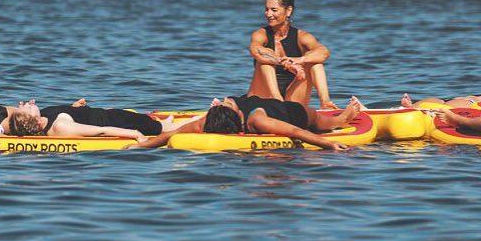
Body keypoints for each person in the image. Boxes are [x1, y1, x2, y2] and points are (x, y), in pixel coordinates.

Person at [128, 96, 362, 151]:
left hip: (290, 112)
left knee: (324, 123)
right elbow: (173, 134)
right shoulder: (211, 120)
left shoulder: (256, 121)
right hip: (243, 104)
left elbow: (294, 131)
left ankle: (345, 114)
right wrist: (141, 147)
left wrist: (328, 145)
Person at [248, 0, 337, 109]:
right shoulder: (261, 34)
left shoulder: (302, 36)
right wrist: (285, 62)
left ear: (288, 11)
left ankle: (326, 103)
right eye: (266, 9)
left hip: (291, 97)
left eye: (274, 10)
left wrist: (299, 60)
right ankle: (277, 100)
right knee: (264, 60)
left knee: (315, 62)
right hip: (262, 98)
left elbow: (324, 52)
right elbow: (256, 50)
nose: (268, 14)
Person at [6, 101, 190, 140]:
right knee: (166, 128)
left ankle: (168, 121)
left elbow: (66, 111)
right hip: (120, 121)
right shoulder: (60, 126)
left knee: (163, 124)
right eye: (28, 107)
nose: (30, 102)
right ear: (34, 120)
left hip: (111, 113)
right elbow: (102, 131)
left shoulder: (46, 115)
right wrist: (135, 134)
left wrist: (75, 106)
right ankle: (205, 117)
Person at [401, 88, 481, 109]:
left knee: (446, 105)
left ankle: (412, 107)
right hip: (461, 100)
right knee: (441, 101)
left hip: (472, 104)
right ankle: (412, 106)